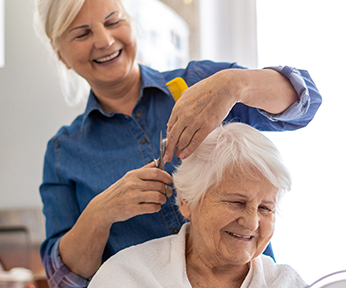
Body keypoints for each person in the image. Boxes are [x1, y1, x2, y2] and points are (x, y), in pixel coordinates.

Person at [35, 0, 322, 286]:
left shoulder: (200, 85)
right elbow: (65, 279)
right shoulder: (65, 152)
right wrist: (101, 213)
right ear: (59, 52)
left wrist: (235, 85)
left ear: (131, 23)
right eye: (82, 34)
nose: (105, 40)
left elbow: (306, 102)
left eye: (113, 22)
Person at [88, 122, 304, 288]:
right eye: (237, 202)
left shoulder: (286, 282)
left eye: (265, 208)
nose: (251, 223)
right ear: (187, 201)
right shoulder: (126, 276)